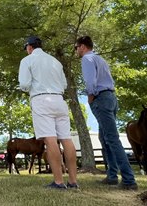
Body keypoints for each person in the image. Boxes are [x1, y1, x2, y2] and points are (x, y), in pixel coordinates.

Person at [75, 35, 138, 190]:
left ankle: (129, 180)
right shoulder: (100, 59)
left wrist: (90, 95)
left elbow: (90, 81)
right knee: (104, 138)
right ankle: (111, 176)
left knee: (112, 138)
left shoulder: (87, 59)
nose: (76, 50)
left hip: (100, 98)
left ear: (83, 46)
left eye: (76, 47)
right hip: (111, 98)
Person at [18, 36, 78, 190]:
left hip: (41, 100)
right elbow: (64, 84)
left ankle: (58, 182)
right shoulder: (55, 62)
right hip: (59, 99)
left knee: (50, 140)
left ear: (29, 47)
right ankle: (73, 182)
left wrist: (31, 86)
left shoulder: (28, 60)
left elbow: (24, 84)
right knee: (66, 139)